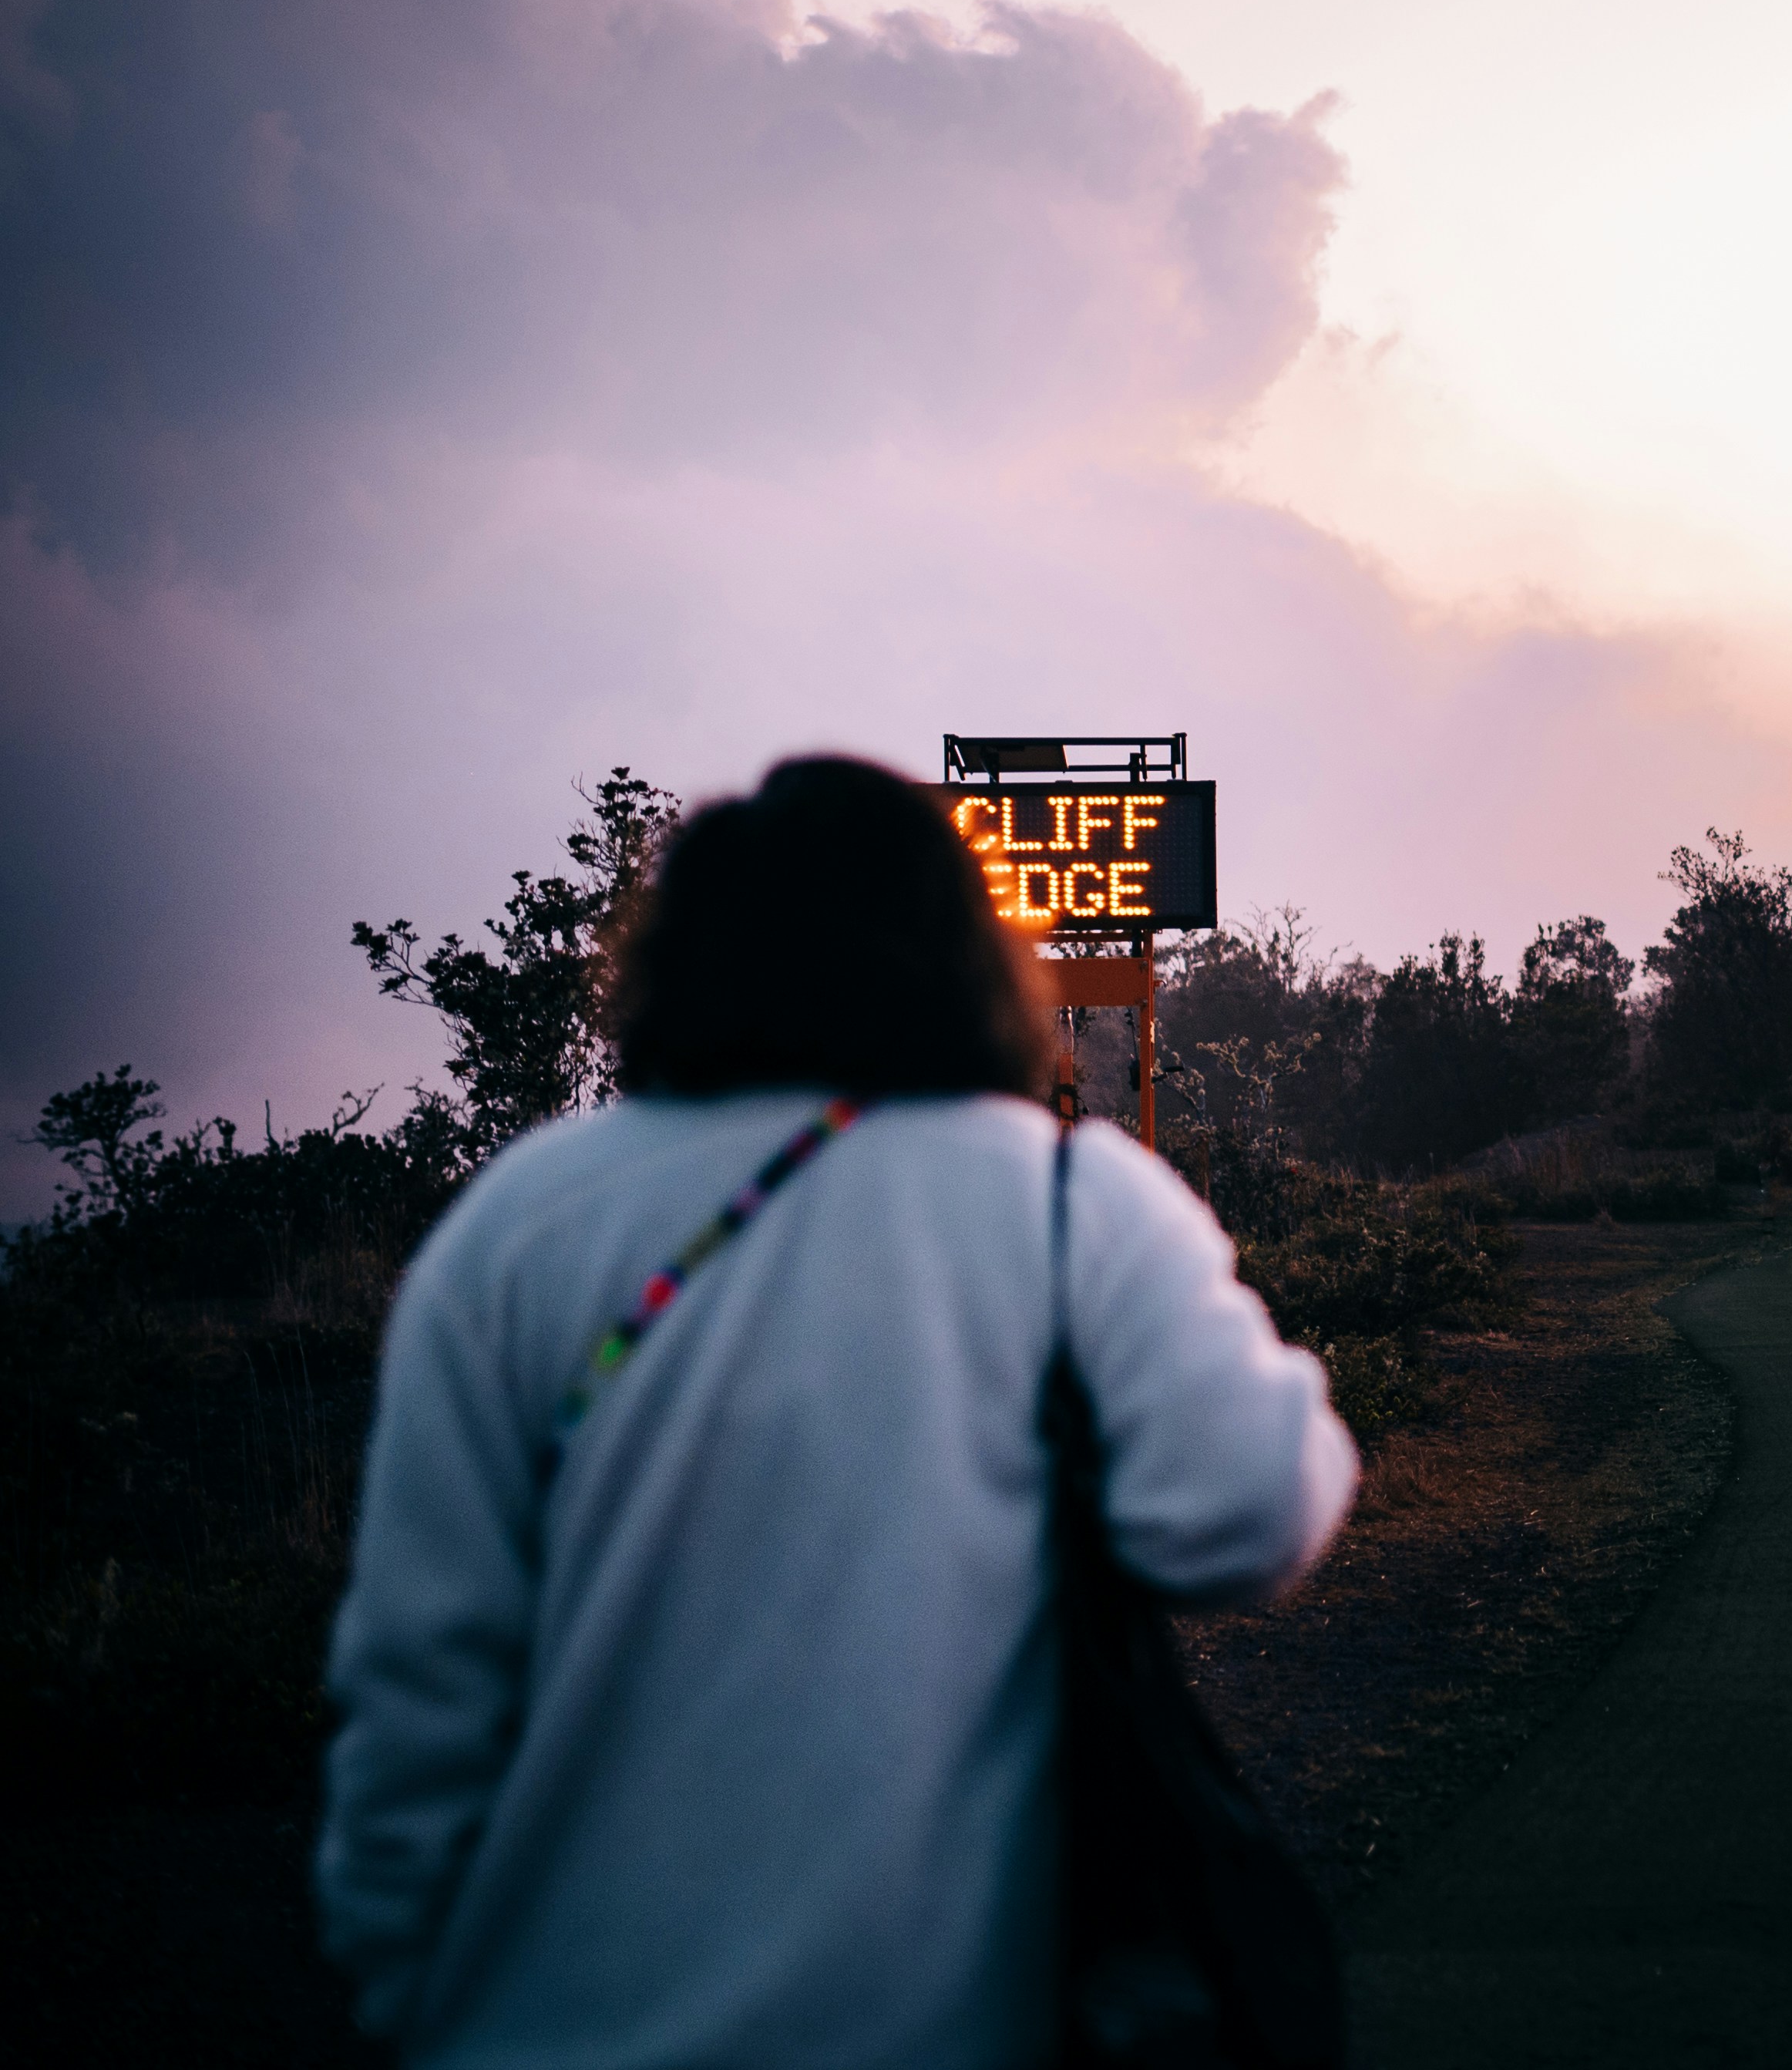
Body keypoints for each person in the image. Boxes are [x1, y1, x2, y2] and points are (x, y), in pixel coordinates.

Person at [316, 756, 1354, 2066]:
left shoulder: (516, 1227)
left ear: (677, 956)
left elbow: (419, 1690)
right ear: (973, 955)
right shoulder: (1066, 1204)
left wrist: (413, 1992)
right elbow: (1252, 1513)